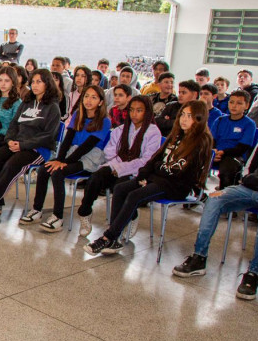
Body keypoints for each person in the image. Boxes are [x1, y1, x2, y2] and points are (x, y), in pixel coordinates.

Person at [172, 103, 258, 300]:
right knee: (214, 198)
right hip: (250, 189)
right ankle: (199, 257)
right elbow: (248, 171)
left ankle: (253, 273)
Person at [84, 101, 212, 255]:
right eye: (182, 115)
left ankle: (108, 238)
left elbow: (178, 172)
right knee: (120, 188)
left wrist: (152, 176)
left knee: (134, 196)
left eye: (189, 116)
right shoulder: (177, 135)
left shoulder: (201, 141)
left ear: (199, 118)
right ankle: (114, 235)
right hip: (158, 179)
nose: (184, 119)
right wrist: (144, 175)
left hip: (176, 186)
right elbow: (154, 160)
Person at [0, 68, 62, 217]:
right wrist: (10, 139)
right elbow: (13, 124)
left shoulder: (53, 108)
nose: (35, 85)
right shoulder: (27, 102)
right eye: (33, 82)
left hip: (38, 149)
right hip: (17, 143)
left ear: (48, 84)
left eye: (39, 82)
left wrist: (23, 145)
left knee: (11, 165)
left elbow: (48, 136)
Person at [22, 85, 111, 231]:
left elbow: (87, 147)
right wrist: (59, 159)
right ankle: (36, 210)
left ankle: (58, 217)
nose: (88, 100)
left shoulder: (104, 121)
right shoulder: (78, 114)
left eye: (94, 97)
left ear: (101, 102)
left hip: (89, 157)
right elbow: (67, 140)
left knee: (58, 173)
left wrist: (63, 163)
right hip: (71, 153)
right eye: (86, 96)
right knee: (45, 169)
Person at [76, 95, 162, 237]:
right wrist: (116, 167)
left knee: (121, 187)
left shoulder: (153, 132)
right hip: (116, 166)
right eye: (132, 110)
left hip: (136, 173)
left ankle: (131, 217)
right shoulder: (121, 129)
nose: (134, 114)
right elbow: (110, 152)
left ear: (147, 112)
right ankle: (85, 213)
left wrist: (122, 169)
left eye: (139, 110)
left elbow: (146, 161)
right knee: (95, 178)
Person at [211, 90, 257, 190]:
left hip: (234, 155)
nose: (234, 106)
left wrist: (223, 152)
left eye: (239, 103)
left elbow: (242, 147)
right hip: (216, 154)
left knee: (227, 170)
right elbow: (212, 140)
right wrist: (213, 151)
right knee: (192, 162)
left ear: (247, 105)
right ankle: (199, 194)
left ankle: (224, 195)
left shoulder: (249, 124)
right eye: (231, 102)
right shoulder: (220, 120)